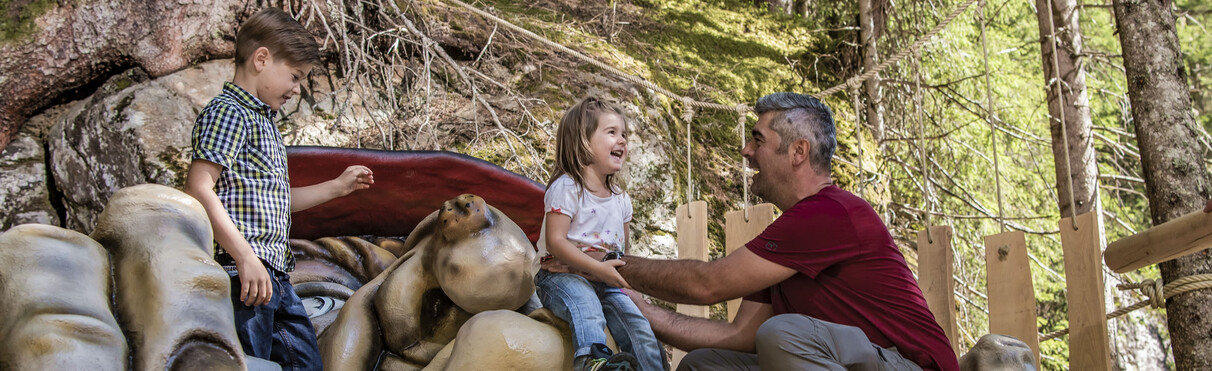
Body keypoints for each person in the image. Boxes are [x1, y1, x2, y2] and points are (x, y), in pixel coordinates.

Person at [589, 92, 959, 370]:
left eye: (758, 139)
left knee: (783, 335)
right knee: (702, 366)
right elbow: (739, 336)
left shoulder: (831, 212)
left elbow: (708, 284)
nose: (746, 151)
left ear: (798, 151)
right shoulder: (785, 239)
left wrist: (606, 263)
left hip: (911, 367)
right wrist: (641, 309)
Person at [183, 8, 374, 371]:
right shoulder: (229, 112)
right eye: (294, 76)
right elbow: (199, 188)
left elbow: (278, 201)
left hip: (273, 273)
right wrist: (243, 257)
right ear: (261, 59)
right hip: (242, 273)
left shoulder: (262, 122)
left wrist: (337, 187)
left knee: (304, 362)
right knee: (250, 362)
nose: (297, 89)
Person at [535, 97, 664, 371]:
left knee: (637, 323)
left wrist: (627, 285)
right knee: (586, 307)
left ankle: (652, 365)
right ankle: (594, 364)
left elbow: (624, 254)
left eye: (624, 134)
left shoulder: (621, 199)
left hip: (605, 281)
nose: (622, 141)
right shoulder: (568, 187)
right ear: (583, 141)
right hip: (561, 277)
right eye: (612, 133)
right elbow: (555, 242)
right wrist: (597, 268)